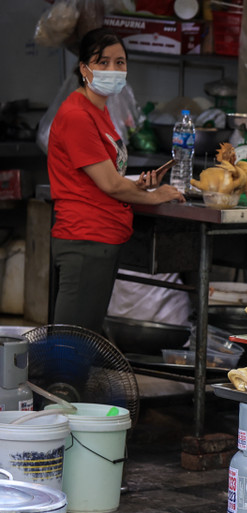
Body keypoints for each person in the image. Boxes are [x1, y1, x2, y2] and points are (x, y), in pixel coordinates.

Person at [47, 27, 183, 333]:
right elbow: (109, 184)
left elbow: (107, 177)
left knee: (85, 334)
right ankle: (62, 383)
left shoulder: (100, 110)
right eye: (103, 62)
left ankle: (72, 382)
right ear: (84, 69)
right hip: (85, 238)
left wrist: (138, 185)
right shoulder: (78, 115)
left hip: (102, 238)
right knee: (72, 340)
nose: (113, 69)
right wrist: (154, 195)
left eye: (119, 62)